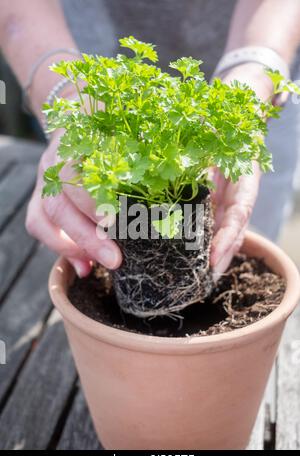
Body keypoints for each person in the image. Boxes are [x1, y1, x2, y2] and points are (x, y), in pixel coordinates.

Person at [1, 0, 300, 278]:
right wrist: (64, 92)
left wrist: (257, 62)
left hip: (265, 48)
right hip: (73, 56)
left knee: (245, 226)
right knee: (88, 209)